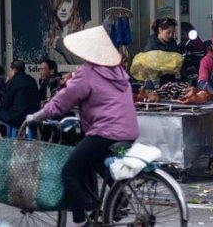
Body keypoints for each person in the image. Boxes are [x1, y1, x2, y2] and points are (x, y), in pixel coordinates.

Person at [26, 25, 139, 227]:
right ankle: (120, 199)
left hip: (105, 131)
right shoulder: (118, 72)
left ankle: (80, 222)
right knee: (95, 161)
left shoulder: (87, 73)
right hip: (128, 131)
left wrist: (37, 116)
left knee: (69, 171)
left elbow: (61, 103)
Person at [0, 60, 40, 147]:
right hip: (33, 118)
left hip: (17, 118)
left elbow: (5, 105)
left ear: (14, 70)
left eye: (10, 70)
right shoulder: (32, 80)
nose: (9, 72)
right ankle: (22, 134)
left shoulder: (13, 82)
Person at [42, 0, 86, 65]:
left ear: (74, 4)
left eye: (68, 1)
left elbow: (83, 64)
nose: (63, 8)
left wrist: (61, 44)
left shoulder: (83, 30)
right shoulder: (49, 34)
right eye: (59, 1)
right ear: (53, 3)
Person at [144, 17, 182, 85]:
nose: (171, 35)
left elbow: (176, 56)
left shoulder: (172, 42)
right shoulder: (151, 44)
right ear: (160, 30)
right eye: (168, 32)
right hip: (154, 81)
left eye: (172, 33)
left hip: (170, 79)